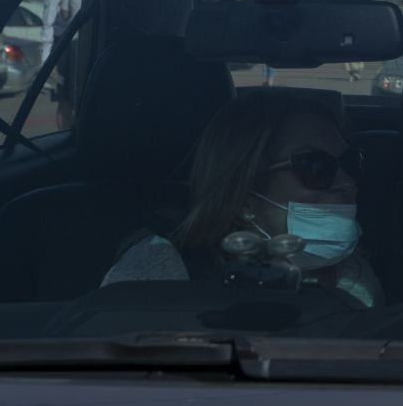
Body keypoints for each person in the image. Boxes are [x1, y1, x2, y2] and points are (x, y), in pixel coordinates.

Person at [103, 93, 383, 307]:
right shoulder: (160, 271)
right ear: (245, 195)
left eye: (349, 164)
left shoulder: (353, 275)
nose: (348, 183)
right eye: (314, 167)